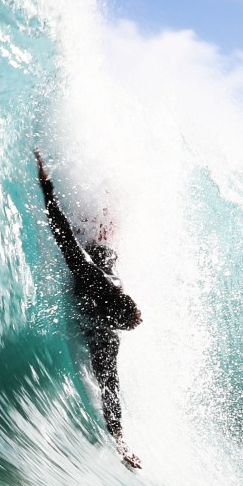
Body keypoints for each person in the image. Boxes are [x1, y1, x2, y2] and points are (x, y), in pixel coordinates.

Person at [34, 150, 143, 468]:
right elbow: (63, 234)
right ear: (111, 314)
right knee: (91, 230)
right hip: (92, 250)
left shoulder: (106, 337)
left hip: (107, 259)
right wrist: (46, 185)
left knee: (108, 370)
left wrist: (122, 443)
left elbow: (111, 390)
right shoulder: (90, 276)